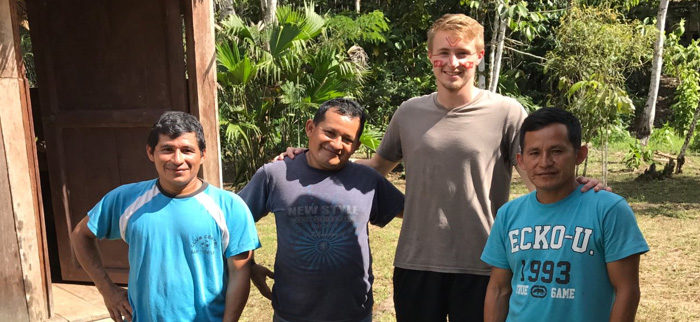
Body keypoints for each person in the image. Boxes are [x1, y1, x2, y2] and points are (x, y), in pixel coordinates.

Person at [278, 14, 606, 322]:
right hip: (416, 262)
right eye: (443, 53)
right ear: (430, 56)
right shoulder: (409, 113)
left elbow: (537, 174)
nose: (453, 63)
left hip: (485, 263)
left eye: (462, 52)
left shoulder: (506, 112)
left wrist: (578, 190)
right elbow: (377, 166)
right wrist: (309, 158)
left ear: (479, 55)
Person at [71, 111, 261, 322]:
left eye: (187, 150)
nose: (177, 159)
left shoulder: (230, 207)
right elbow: (81, 235)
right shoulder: (125, 199)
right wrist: (108, 291)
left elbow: (239, 274)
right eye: (167, 150)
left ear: (203, 154)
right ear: (151, 152)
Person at [239, 98, 405, 322]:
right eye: (329, 133)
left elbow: (412, 212)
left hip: (354, 312)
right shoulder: (276, 174)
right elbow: (235, 220)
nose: (336, 144)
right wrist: (249, 265)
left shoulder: (367, 180)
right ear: (310, 128)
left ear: (356, 145)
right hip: (292, 313)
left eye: (347, 139)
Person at [481, 107, 649, 322]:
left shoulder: (609, 210)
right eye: (534, 153)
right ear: (521, 161)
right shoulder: (508, 214)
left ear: (580, 154)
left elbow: (627, 291)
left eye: (557, 151)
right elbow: (498, 289)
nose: (544, 162)